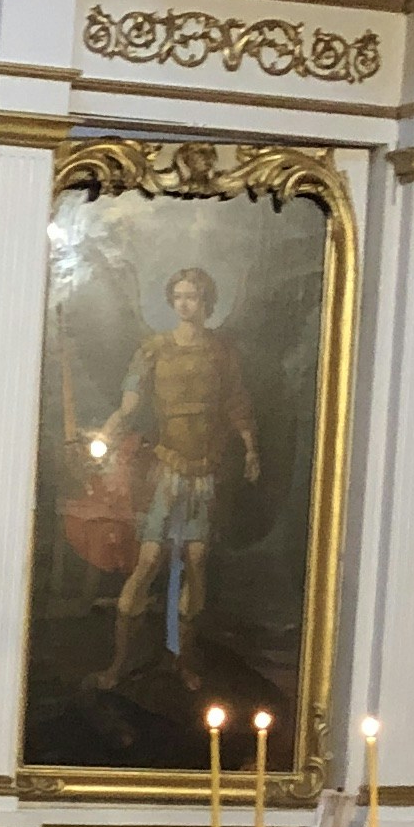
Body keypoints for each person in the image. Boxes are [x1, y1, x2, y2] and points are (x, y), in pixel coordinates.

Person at [82, 265, 257, 689]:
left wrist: (251, 448)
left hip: (205, 469)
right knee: (148, 561)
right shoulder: (153, 349)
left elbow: (236, 401)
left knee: (196, 559)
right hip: (166, 467)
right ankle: (119, 665)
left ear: (206, 302)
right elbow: (129, 403)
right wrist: (107, 431)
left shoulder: (220, 351)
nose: (185, 302)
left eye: (193, 295)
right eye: (178, 295)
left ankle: (183, 659)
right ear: (170, 301)